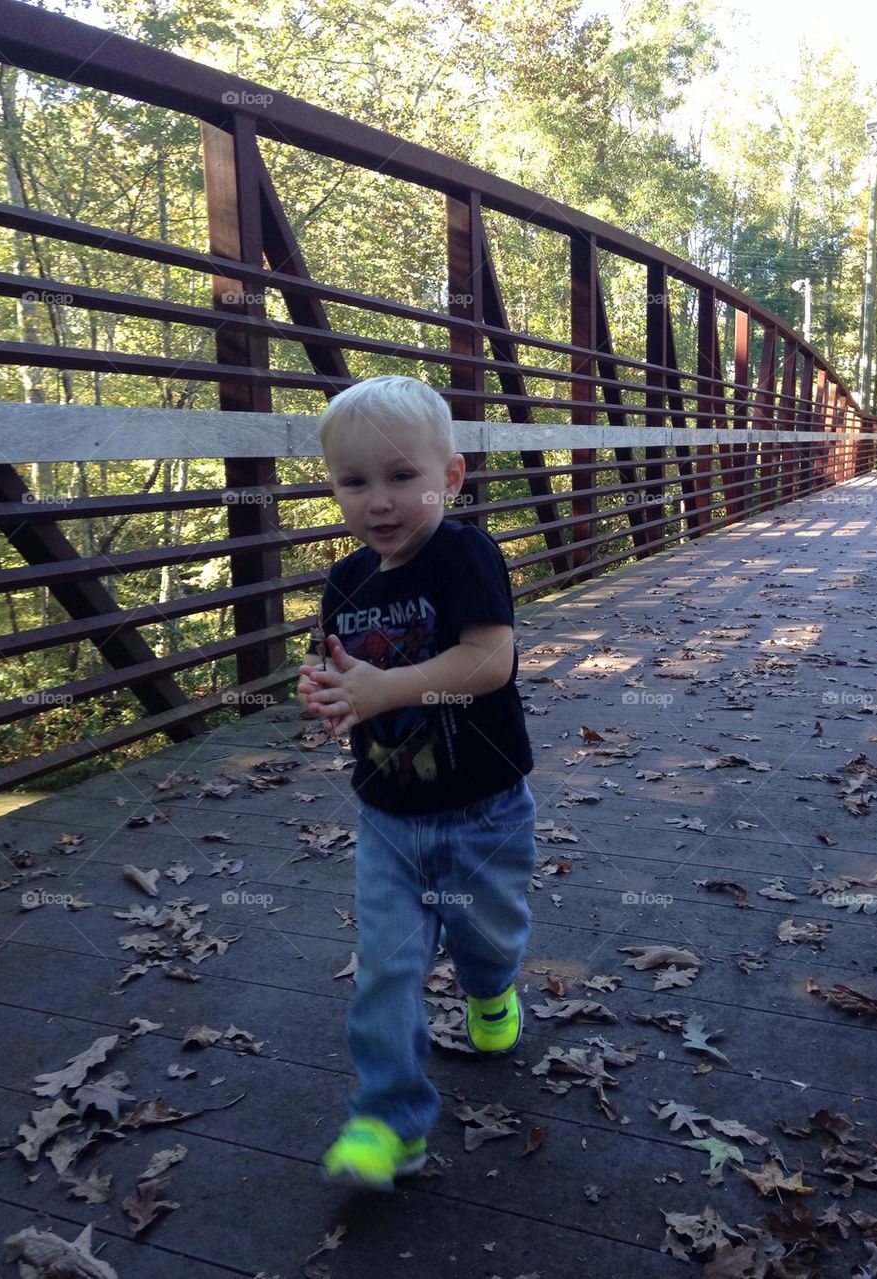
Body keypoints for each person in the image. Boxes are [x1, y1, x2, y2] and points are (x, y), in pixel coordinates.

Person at [298, 374, 536, 1192]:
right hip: (390, 815)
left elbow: (487, 661)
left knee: (488, 939)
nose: (380, 501)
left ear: (452, 477)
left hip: (484, 809)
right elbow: (347, 674)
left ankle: (492, 990)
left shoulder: (465, 554)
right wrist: (330, 692)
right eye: (353, 481)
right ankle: (386, 1121)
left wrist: (382, 689)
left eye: (403, 476)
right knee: (387, 965)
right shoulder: (344, 581)